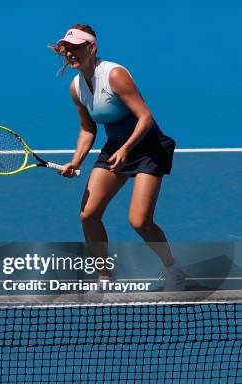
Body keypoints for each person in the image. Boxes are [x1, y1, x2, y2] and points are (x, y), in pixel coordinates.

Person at [50, 25, 184, 291]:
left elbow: (145, 118)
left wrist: (126, 149)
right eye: (68, 48)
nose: (70, 53)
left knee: (139, 221)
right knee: (88, 215)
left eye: (76, 47)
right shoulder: (76, 87)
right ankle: (106, 276)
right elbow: (88, 129)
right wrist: (76, 161)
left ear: (92, 47)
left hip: (148, 147)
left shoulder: (115, 74)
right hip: (115, 147)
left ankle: (173, 269)